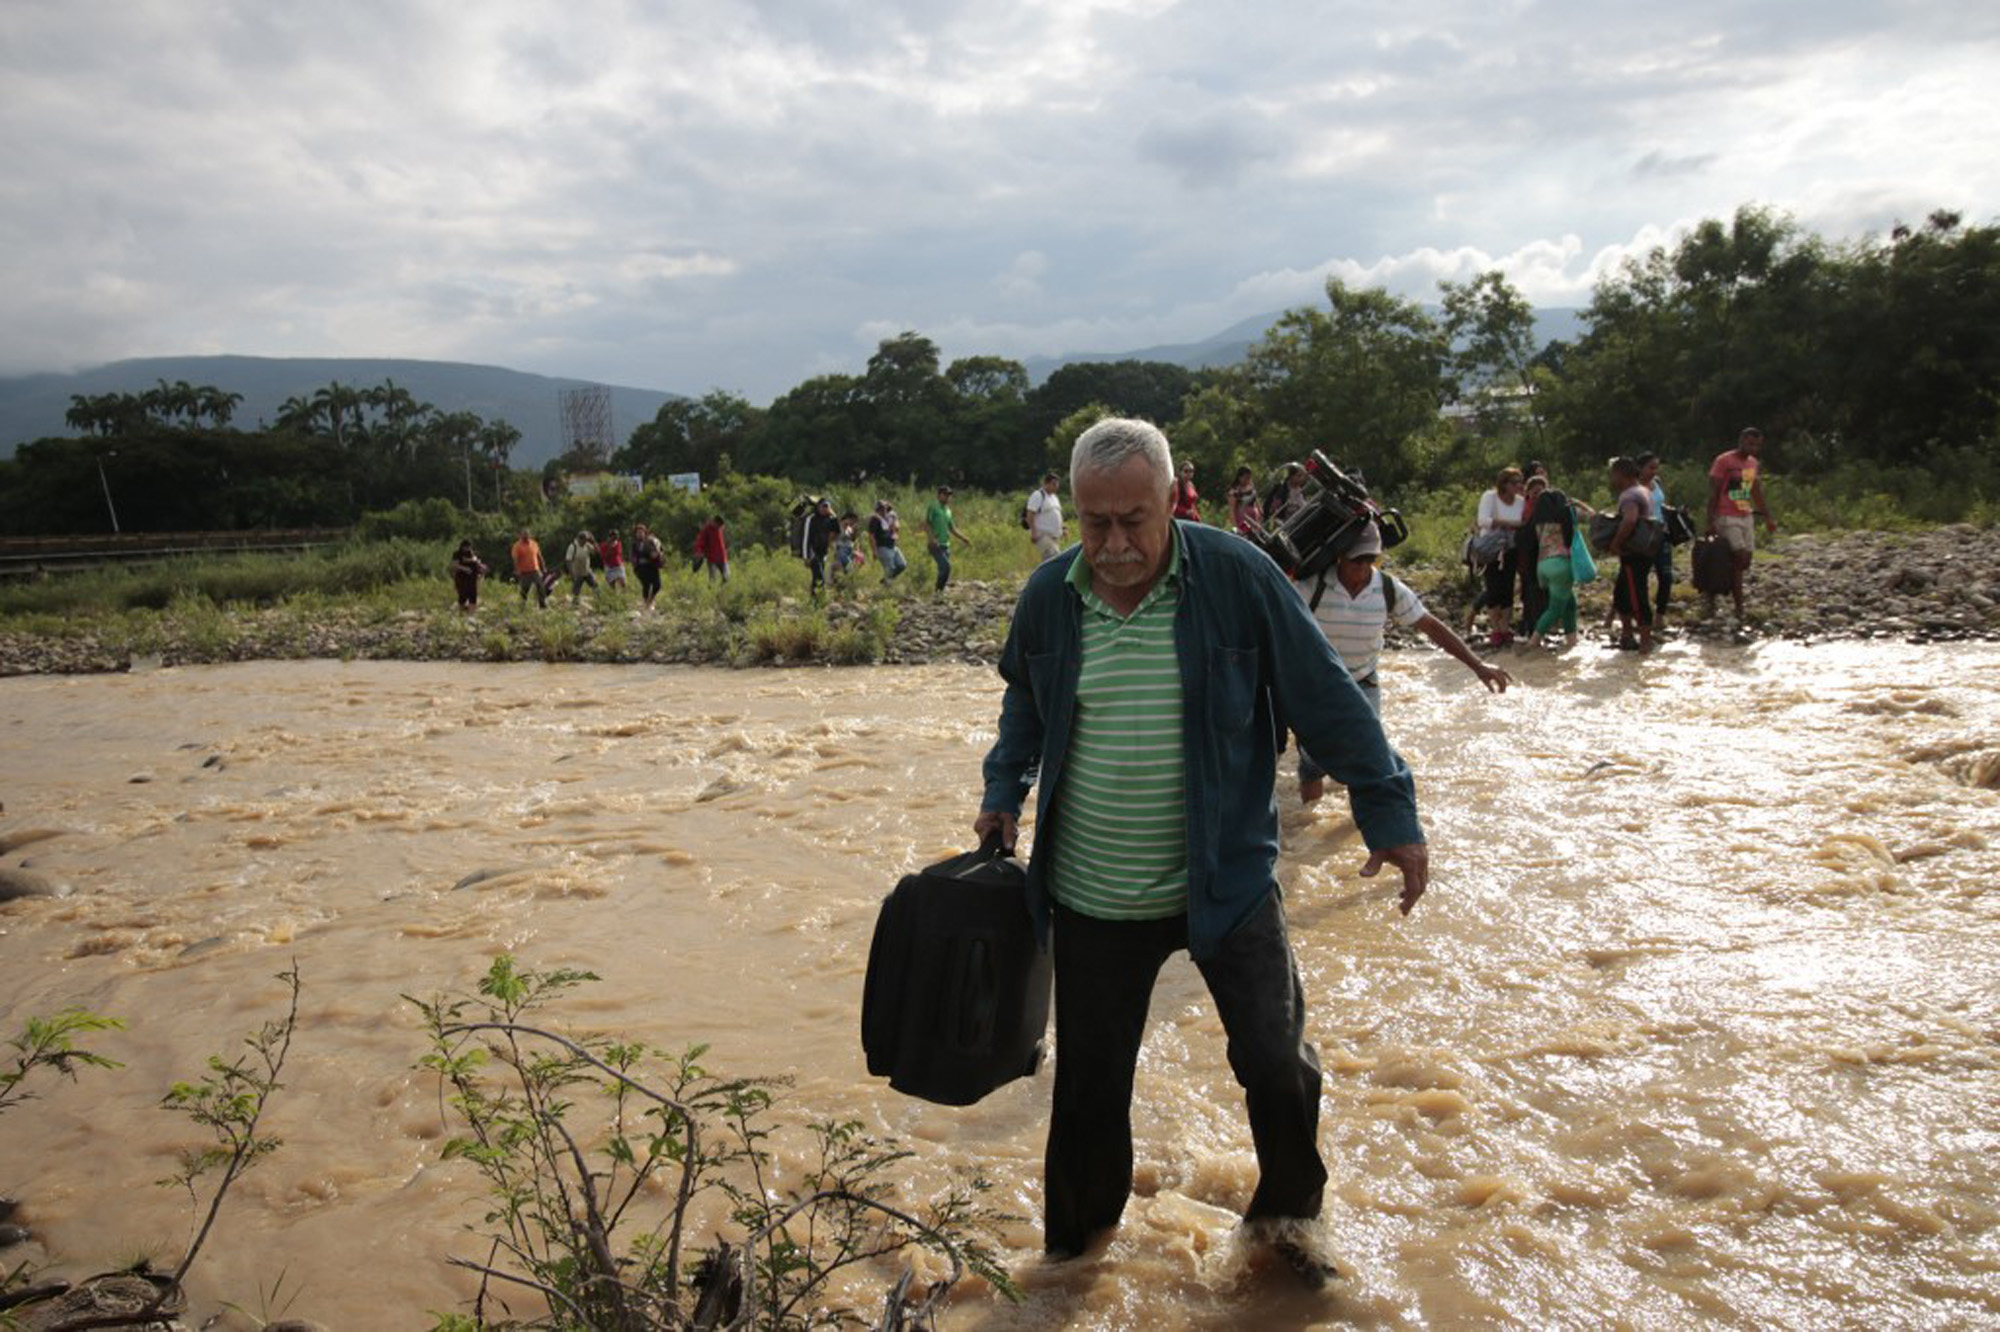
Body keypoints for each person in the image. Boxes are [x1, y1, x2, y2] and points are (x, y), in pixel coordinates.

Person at [974, 418, 1428, 1282]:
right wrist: (1004, 792)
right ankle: (1073, 1257)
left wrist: (1388, 808)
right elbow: (1025, 707)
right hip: (1093, 891)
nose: (1112, 544)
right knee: (1090, 1088)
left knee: (1276, 1062)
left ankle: (1287, 1225)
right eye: (1095, 522)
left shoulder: (1235, 578)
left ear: (1172, 503)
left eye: (1133, 521)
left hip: (1226, 878)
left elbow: (1325, 697)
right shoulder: (1048, 597)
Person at [1291, 520, 1510, 804]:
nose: (1363, 567)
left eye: (1370, 559)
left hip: (1363, 680)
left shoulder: (1387, 589)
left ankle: (1360, 830)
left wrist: (1478, 666)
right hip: (1317, 683)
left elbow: (1431, 627)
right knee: (1313, 763)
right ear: (1340, 557)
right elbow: (1277, 626)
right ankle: (1308, 827)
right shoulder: (1312, 586)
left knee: (1368, 756)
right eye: (1357, 559)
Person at [1705, 426, 1778, 628]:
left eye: (1757, 445)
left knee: (1744, 561)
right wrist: (1710, 520)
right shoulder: (1724, 461)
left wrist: (1768, 517)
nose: (1753, 448)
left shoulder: (1753, 464)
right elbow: (1714, 491)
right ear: (1741, 440)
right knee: (1739, 557)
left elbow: (1756, 491)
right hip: (1726, 514)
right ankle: (1739, 606)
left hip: (1745, 514)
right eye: (1750, 443)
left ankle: (1720, 590)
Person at [1465, 467, 1528, 644]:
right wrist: (1509, 524)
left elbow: (1523, 523)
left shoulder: (1520, 502)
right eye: (1514, 482)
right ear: (1504, 484)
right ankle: (1496, 629)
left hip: (1511, 548)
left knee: (1508, 588)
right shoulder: (1490, 497)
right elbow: (1483, 520)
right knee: (1493, 588)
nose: (1518, 486)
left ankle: (1505, 628)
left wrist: (1505, 524)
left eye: (1520, 482)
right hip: (1491, 549)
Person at [1525, 477, 1581, 648]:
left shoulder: (1538, 522)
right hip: (1561, 565)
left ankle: (1572, 641)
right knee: (1554, 608)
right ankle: (1533, 643)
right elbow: (1574, 539)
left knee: (1569, 603)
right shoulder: (1564, 519)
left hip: (1543, 566)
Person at [1607, 457, 1655, 651]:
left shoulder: (1629, 495)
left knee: (1636, 596)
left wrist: (1615, 543)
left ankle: (1645, 642)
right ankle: (1627, 636)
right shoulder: (1644, 490)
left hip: (1633, 553)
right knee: (1621, 594)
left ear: (1620, 474)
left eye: (1612, 475)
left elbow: (1630, 520)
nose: (1611, 479)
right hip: (1642, 551)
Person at [1637, 452, 1673, 633]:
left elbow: (1662, 504)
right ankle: (1642, 616)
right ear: (1640, 468)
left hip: (1662, 534)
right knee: (1640, 577)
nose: (1653, 471)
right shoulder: (1633, 487)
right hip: (1643, 537)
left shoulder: (1656, 483)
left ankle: (1660, 615)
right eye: (1650, 467)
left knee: (1666, 576)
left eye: (1655, 467)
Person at [924, 485, 971, 593]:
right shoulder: (933, 507)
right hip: (935, 544)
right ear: (939, 495)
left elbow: (952, 528)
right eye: (945, 495)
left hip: (945, 544)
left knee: (943, 570)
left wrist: (964, 538)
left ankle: (939, 592)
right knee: (946, 567)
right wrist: (931, 538)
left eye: (949, 495)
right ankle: (938, 592)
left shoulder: (948, 511)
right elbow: (927, 524)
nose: (948, 497)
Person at [1026, 471, 1064, 563]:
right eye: (1053, 484)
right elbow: (1030, 514)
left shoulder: (1054, 497)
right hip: (1043, 535)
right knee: (1052, 559)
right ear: (1046, 483)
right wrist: (1033, 532)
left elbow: (1057, 514)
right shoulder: (1038, 495)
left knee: (1054, 559)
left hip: (1054, 536)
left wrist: (1063, 528)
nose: (1056, 487)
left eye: (1057, 485)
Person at [803, 498, 837, 597]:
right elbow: (806, 538)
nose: (825, 509)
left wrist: (834, 515)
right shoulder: (811, 519)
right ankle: (820, 598)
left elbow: (837, 529)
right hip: (812, 552)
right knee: (820, 577)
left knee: (816, 577)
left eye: (827, 506)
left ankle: (813, 599)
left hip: (823, 552)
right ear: (818, 507)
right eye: (823, 506)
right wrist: (806, 557)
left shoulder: (829, 519)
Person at [869, 500, 907, 581]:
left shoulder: (888, 518)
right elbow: (871, 536)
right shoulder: (875, 520)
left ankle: (885, 581)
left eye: (884, 508)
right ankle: (887, 588)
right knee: (890, 568)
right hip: (882, 547)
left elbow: (896, 528)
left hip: (893, 546)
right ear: (877, 509)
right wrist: (874, 551)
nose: (884, 510)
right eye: (881, 509)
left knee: (902, 565)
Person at [1263, 462, 1308, 529]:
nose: (1301, 479)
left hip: (1298, 523)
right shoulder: (1281, 489)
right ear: (1291, 476)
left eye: (1303, 476)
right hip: (1282, 523)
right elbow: (1271, 508)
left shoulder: (1302, 491)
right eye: (1299, 476)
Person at [449, 540, 489, 613]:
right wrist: (465, 569)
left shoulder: (472, 554)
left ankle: (471, 614)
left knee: (473, 596)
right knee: (462, 596)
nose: (467, 549)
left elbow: (476, 563)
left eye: (469, 547)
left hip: (472, 578)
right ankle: (461, 613)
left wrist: (481, 567)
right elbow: (455, 565)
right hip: (461, 578)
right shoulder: (457, 554)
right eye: (466, 547)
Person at [511, 528, 547, 607]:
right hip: (524, 572)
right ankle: (522, 605)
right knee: (524, 590)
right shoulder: (517, 546)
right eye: (524, 535)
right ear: (520, 535)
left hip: (535, 570)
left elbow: (539, 556)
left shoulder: (534, 544)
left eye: (527, 535)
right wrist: (517, 570)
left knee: (540, 587)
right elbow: (515, 559)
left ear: (529, 535)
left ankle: (542, 604)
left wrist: (543, 567)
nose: (526, 536)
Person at [632, 523, 665, 609]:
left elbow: (657, 552)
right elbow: (633, 557)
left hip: (652, 566)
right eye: (638, 532)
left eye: (642, 532)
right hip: (641, 568)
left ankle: (651, 599)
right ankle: (646, 603)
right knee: (646, 585)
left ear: (645, 533)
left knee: (657, 585)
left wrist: (657, 555)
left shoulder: (650, 541)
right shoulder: (635, 545)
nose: (640, 534)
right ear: (635, 534)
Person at [563, 531, 600, 605]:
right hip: (577, 572)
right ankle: (575, 604)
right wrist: (572, 574)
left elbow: (597, 551)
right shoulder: (573, 546)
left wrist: (594, 541)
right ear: (580, 539)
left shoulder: (587, 545)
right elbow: (568, 561)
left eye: (587, 540)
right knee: (576, 591)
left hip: (587, 570)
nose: (585, 542)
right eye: (585, 540)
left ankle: (599, 601)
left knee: (595, 586)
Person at [1227, 466, 1263, 537]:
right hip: (1242, 522)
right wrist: (1236, 527)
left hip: (1254, 521)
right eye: (1246, 478)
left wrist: (1260, 514)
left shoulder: (1251, 488)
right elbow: (1232, 510)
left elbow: (1257, 503)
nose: (1247, 480)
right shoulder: (1234, 491)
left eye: (1249, 478)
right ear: (1239, 477)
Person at [694, 515, 729, 583]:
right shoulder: (706, 530)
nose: (720, 527)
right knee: (713, 580)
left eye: (721, 526)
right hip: (712, 558)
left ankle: (721, 591)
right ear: (714, 522)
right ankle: (712, 592)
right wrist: (699, 552)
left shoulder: (720, 528)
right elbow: (700, 542)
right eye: (718, 525)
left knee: (726, 577)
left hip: (722, 557)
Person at [832, 512, 865, 581]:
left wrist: (854, 531)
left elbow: (853, 540)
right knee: (846, 567)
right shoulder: (840, 526)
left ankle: (845, 582)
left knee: (849, 567)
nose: (854, 522)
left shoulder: (850, 528)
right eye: (853, 520)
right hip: (841, 549)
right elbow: (839, 537)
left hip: (849, 549)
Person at [599, 529, 627, 595]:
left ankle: (624, 595)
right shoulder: (604, 545)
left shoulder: (618, 543)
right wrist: (609, 548)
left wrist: (610, 550)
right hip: (609, 566)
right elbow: (604, 556)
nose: (615, 537)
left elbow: (617, 552)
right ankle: (614, 595)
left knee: (622, 582)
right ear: (610, 536)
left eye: (616, 536)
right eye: (613, 536)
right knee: (611, 583)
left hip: (618, 565)